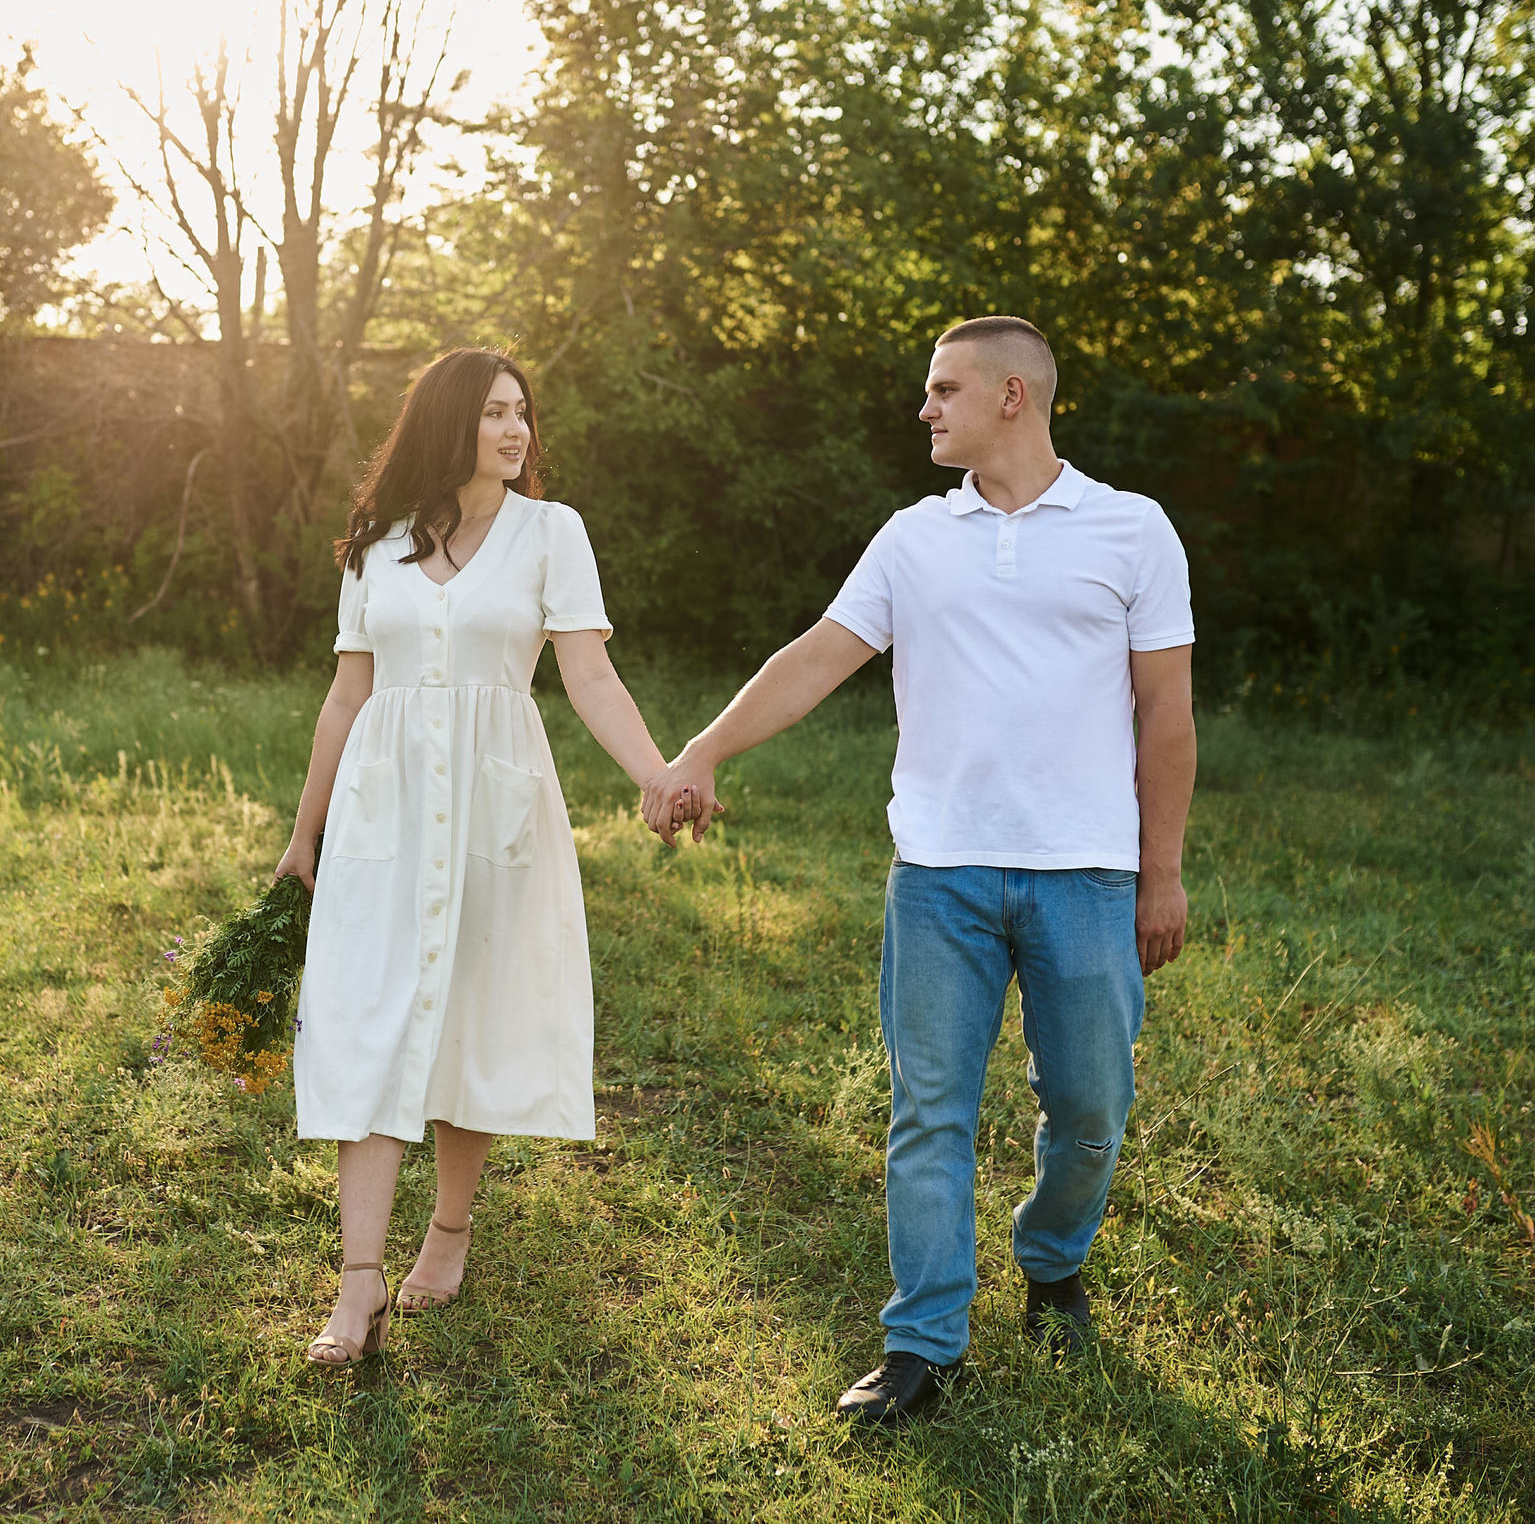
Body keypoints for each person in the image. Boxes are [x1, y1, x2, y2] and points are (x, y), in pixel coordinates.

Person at [642, 315, 1197, 1422]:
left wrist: (1161, 869)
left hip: (1084, 872)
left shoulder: (1130, 529)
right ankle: (922, 1344)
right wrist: (704, 745)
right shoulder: (912, 538)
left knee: (1088, 1107)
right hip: (937, 873)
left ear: (1011, 396)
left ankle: (1052, 1263)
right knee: (927, 1110)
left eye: (943, 389)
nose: (924, 407)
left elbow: (1164, 711)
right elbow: (816, 656)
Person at [275, 347, 687, 1367]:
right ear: (447, 421)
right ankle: (356, 1282)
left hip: (499, 800)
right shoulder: (376, 544)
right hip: (385, 805)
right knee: (362, 1019)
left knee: (474, 1010)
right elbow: (346, 692)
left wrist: (653, 772)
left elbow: (589, 673)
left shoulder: (553, 533)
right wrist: (303, 828)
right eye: (495, 412)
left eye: (523, 413)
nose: (516, 430)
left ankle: (449, 1229)